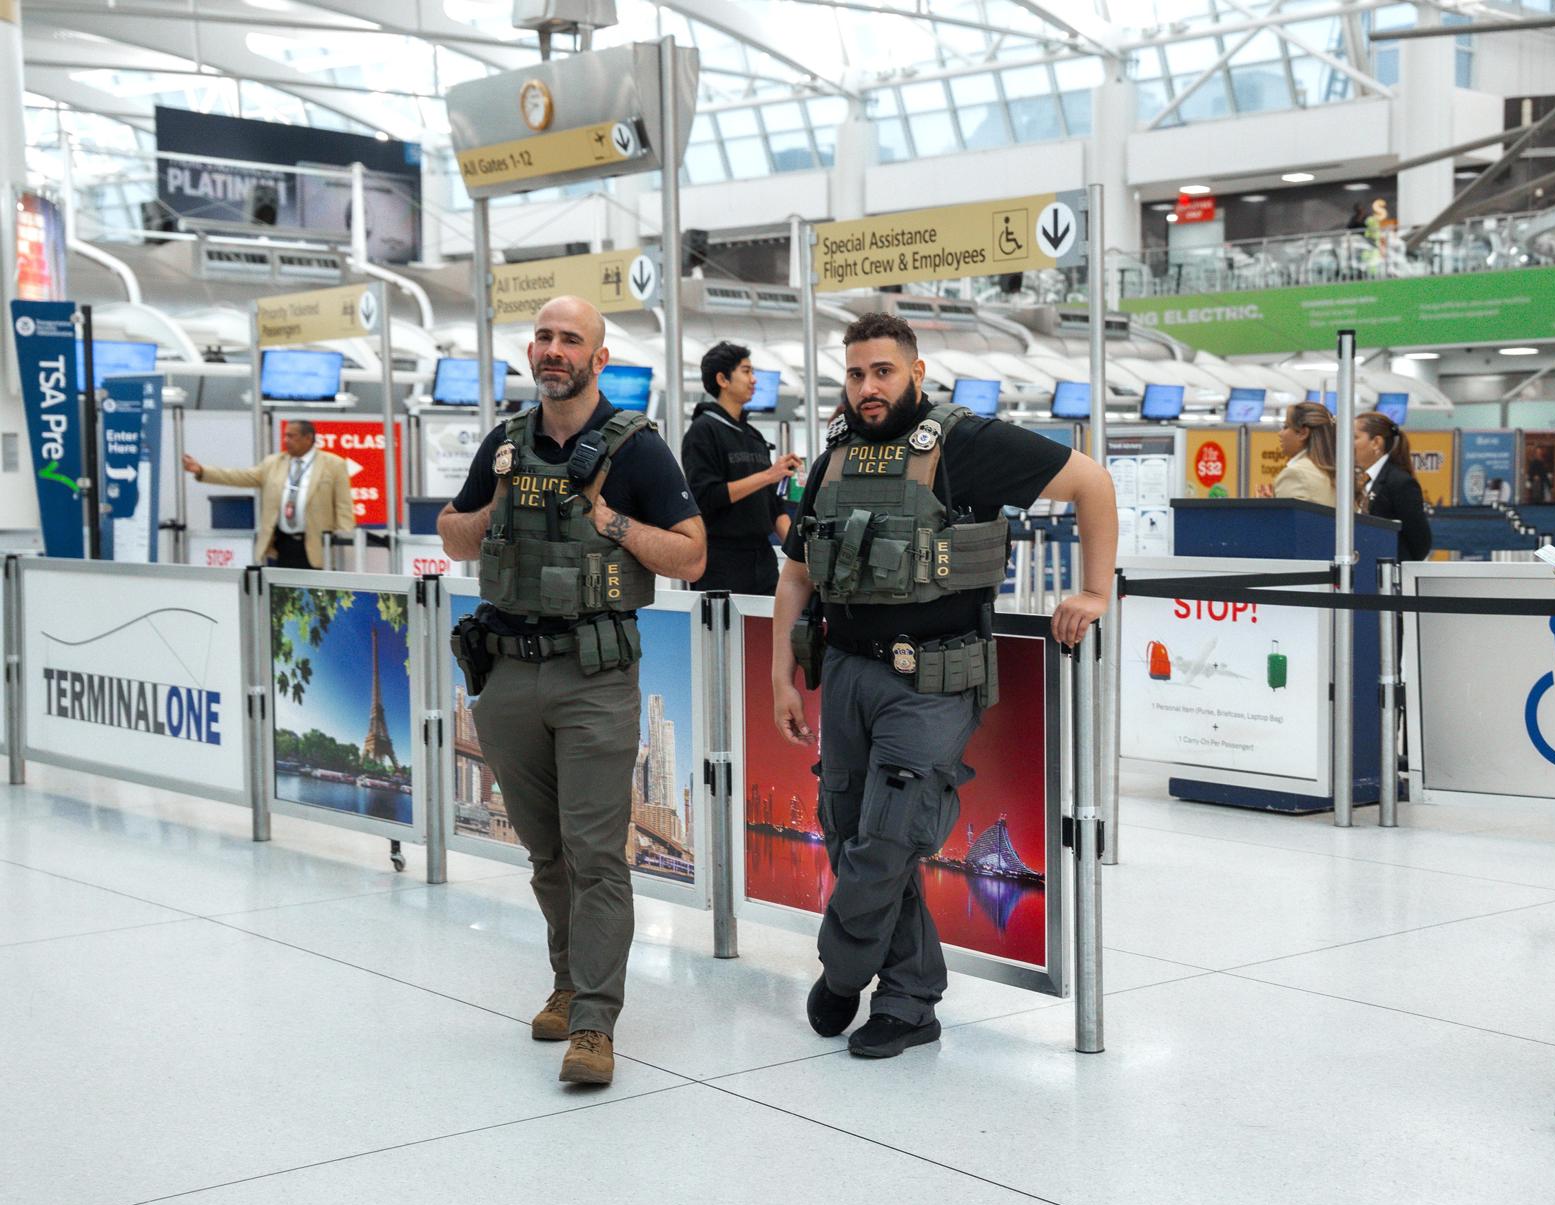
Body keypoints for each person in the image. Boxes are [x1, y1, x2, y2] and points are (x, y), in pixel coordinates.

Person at [771, 312, 1117, 1059]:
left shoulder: (965, 443)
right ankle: (910, 998)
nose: (868, 387)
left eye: (883, 372)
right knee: (848, 834)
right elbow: (798, 571)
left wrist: (1095, 591)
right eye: (857, 373)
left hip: (930, 681)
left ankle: (842, 974)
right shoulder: (834, 455)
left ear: (916, 373)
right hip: (845, 672)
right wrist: (780, 678)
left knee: (889, 840)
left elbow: (1091, 481)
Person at [437, 296, 706, 1087]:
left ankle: (594, 1021)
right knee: (545, 850)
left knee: (597, 854)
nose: (556, 351)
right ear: (533, 351)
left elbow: (691, 558)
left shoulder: (638, 449)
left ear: (597, 356)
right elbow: (453, 534)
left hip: (595, 677)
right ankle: (565, 979)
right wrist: (496, 509)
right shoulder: (506, 442)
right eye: (546, 338)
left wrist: (612, 522)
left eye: (571, 340)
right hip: (508, 674)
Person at [682, 341, 802, 595]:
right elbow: (706, 496)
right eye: (746, 371)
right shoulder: (702, 432)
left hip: (763, 561)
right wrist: (769, 475)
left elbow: (773, 505)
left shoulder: (754, 436)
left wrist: (799, 554)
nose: (754, 380)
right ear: (722, 379)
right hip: (722, 562)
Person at [184, 419, 352, 569]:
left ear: (308, 438)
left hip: (317, 544)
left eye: (291, 436)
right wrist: (202, 471)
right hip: (283, 543)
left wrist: (344, 542)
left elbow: (343, 505)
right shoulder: (273, 463)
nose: (286, 440)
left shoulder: (333, 464)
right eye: (285, 436)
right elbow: (241, 477)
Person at [1355, 411, 1432, 562]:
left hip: (1389, 575)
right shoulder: (1364, 479)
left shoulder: (1400, 483)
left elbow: (1420, 541)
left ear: (1376, 442)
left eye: (1354, 437)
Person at [1266, 401, 1356, 507]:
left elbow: (1287, 522)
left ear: (1303, 433)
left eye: (1286, 427)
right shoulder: (1341, 472)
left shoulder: (1295, 474)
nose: (1280, 434)